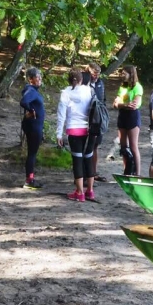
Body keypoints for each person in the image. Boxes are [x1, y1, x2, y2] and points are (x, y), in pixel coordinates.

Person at [56, 68, 95, 202]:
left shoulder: (65, 93)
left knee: (77, 160)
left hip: (74, 130)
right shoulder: (88, 90)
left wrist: (59, 134)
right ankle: (90, 190)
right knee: (88, 159)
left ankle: (79, 192)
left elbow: (61, 115)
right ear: (81, 79)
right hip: (89, 131)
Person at [113, 65, 143, 176]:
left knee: (133, 146)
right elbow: (115, 104)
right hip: (122, 116)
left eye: (124, 73)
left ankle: (137, 173)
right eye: (122, 73)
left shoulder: (137, 87)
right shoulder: (122, 87)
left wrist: (121, 104)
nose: (122, 75)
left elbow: (133, 106)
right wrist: (124, 104)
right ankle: (127, 170)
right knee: (123, 147)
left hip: (132, 117)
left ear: (131, 74)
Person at [20, 67, 45, 189]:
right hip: (34, 127)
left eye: (40, 76)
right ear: (31, 79)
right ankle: (29, 180)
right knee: (32, 154)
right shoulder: (31, 91)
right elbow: (24, 101)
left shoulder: (32, 90)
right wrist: (32, 111)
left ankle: (30, 179)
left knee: (32, 153)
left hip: (34, 126)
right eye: (37, 77)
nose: (40, 79)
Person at [87, 63, 107, 182]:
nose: (96, 76)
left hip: (98, 118)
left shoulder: (100, 83)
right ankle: (87, 174)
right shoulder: (84, 83)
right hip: (87, 118)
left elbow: (103, 99)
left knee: (95, 146)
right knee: (87, 147)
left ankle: (94, 173)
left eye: (98, 74)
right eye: (93, 74)